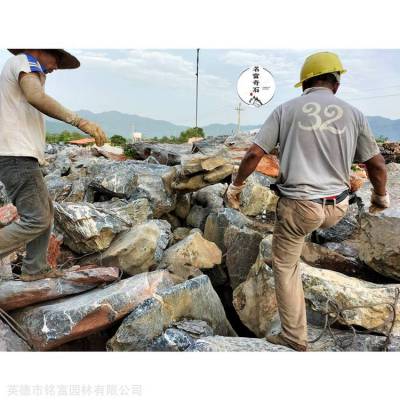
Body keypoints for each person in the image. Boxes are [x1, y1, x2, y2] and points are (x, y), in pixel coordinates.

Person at [225, 51, 389, 351]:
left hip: (299, 207)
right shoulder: (354, 114)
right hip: (337, 206)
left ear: (304, 84)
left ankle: (293, 337)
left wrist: (235, 187)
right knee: (305, 235)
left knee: (285, 266)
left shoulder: (285, 110)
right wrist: (381, 198)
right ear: (336, 84)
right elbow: (376, 165)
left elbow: (253, 154)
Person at [0, 49, 107, 281]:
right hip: (17, 154)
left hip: (19, 154)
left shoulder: (23, 66)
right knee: (37, 218)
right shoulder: (25, 61)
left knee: (45, 213)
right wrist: (79, 121)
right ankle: (34, 269)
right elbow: (35, 96)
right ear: (39, 49)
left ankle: (35, 268)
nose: (55, 67)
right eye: (56, 59)